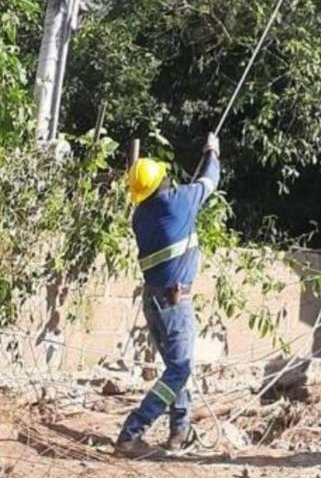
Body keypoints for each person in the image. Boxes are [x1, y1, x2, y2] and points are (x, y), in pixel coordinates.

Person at [115, 134, 221, 458]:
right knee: (179, 370)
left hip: (154, 301)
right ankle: (132, 433)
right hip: (175, 303)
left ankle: (179, 430)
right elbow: (211, 179)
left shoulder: (141, 216)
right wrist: (213, 150)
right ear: (163, 179)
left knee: (177, 368)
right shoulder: (180, 202)